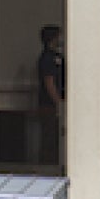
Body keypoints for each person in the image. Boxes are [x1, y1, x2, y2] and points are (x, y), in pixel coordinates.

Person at [37, 24, 65, 168]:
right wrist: (58, 101)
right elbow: (49, 81)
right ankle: (47, 165)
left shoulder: (58, 56)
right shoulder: (47, 58)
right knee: (49, 136)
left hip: (56, 101)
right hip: (49, 104)